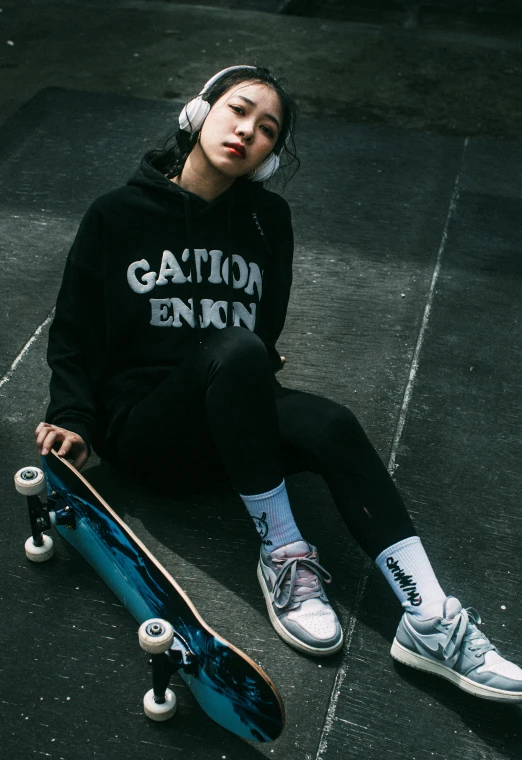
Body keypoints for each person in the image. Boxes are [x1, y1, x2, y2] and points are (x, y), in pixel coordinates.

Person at [36, 64, 522, 702]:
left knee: (332, 424)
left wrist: (248, 370)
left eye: (267, 130)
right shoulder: (117, 215)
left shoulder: (269, 221)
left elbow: (266, 328)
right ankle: (284, 552)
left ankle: (430, 619)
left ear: (270, 154)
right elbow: (75, 329)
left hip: (231, 419)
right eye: (238, 111)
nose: (247, 132)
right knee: (238, 351)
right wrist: (74, 418)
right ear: (198, 112)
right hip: (151, 430)